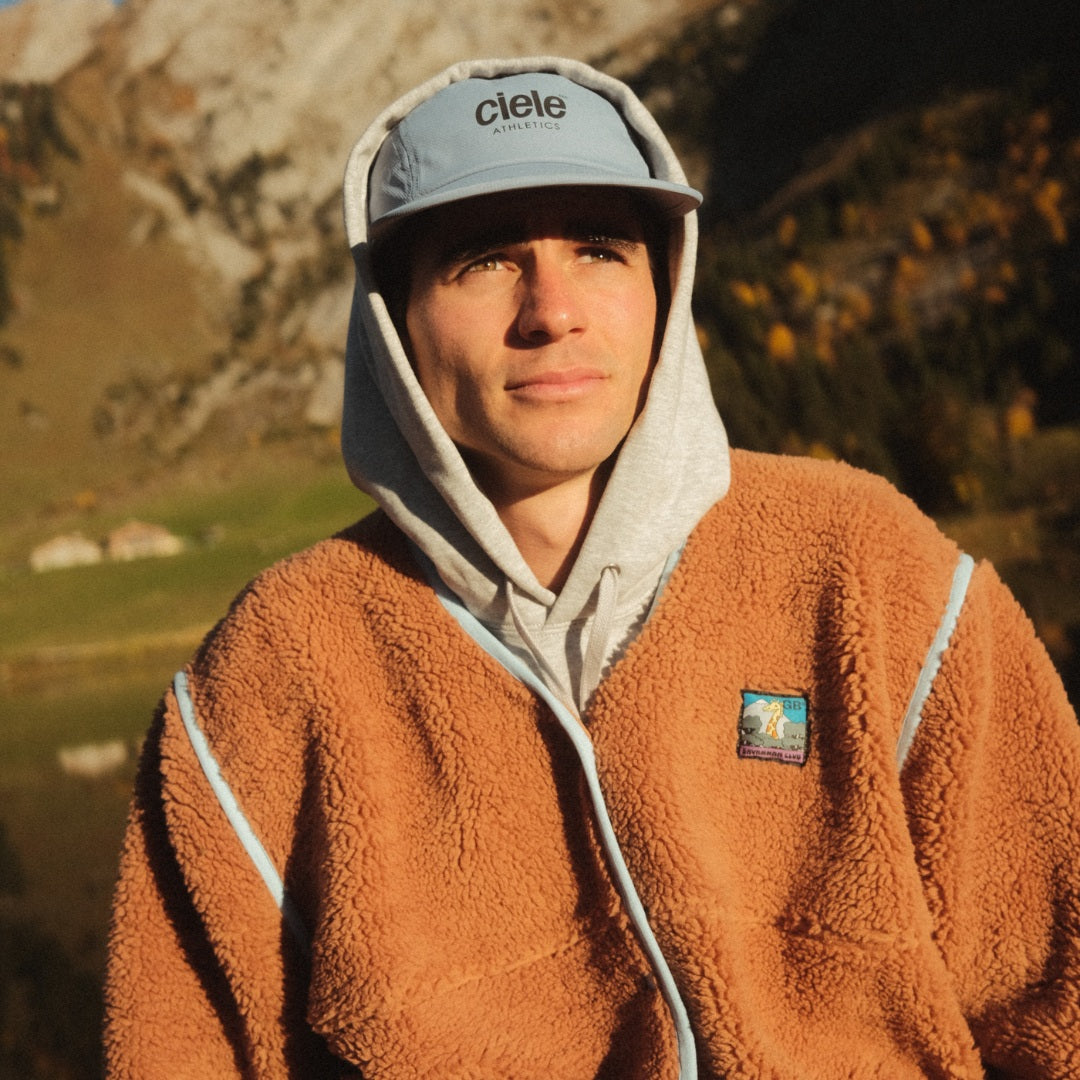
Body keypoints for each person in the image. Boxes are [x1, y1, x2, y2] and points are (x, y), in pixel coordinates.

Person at [104, 56, 1080, 1079]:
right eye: (485, 259)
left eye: (601, 249)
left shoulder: (869, 565)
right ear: (392, 320)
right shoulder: (271, 672)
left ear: (665, 284)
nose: (552, 309)